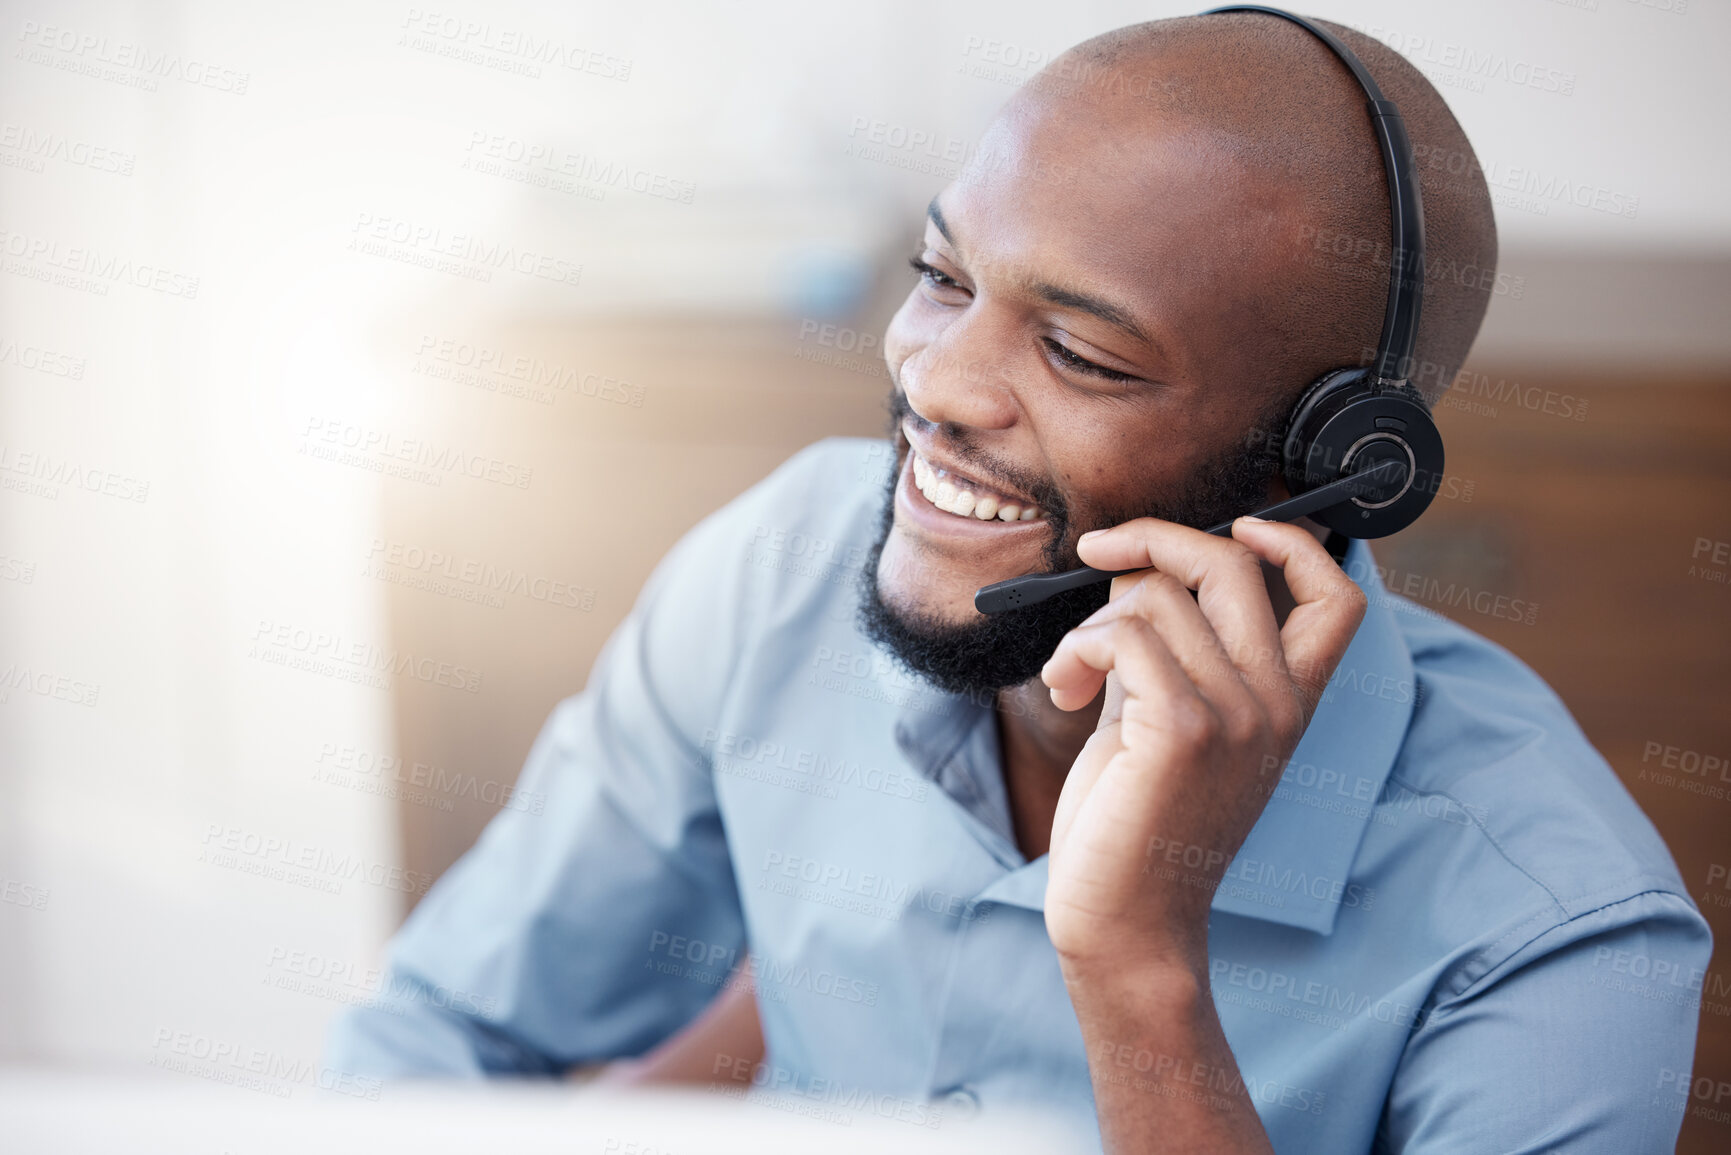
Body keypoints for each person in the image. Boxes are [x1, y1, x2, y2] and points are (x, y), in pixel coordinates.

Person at [328, 12, 1711, 1152]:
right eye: (943, 275)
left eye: (1084, 356)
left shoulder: (1558, 942)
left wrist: (1139, 966)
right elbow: (437, 1044)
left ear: (1334, 467)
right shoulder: (788, 566)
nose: (936, 381)